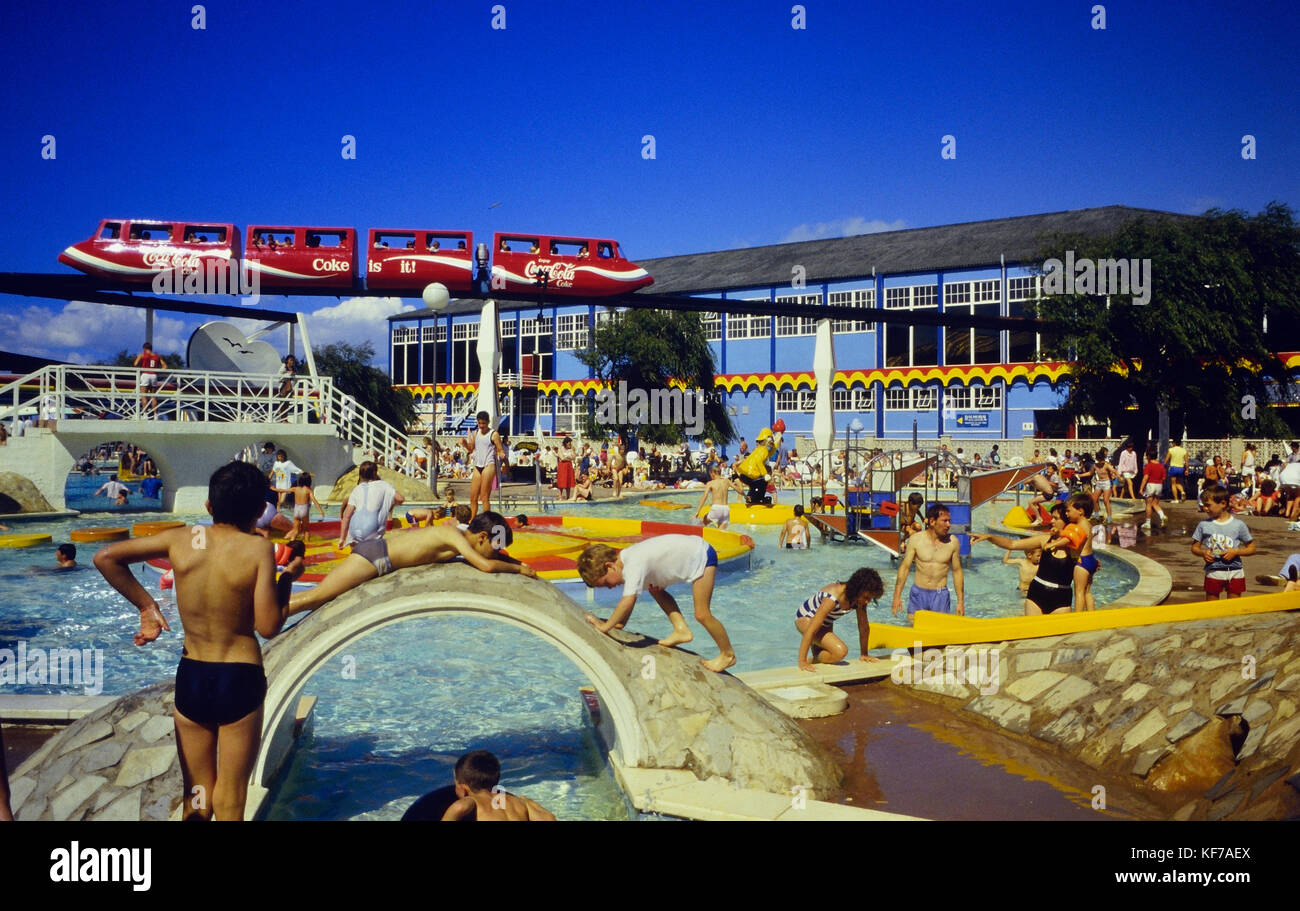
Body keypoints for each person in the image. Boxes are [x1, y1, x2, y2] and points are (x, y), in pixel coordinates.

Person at [92, 461, 303, 821]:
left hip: (193, 676)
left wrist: (147, 605)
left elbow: (106, 557)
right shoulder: (257, 550)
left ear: (208, 506)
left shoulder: (182, 538)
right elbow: (268, 626)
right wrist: (288, 579)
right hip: (238, 677)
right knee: (231, 798)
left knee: (198, 795)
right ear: (258, 512)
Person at [289, 511, 536, 615]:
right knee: (318, 597)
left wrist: (515, 560)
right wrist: (520, 569)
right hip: (374, 557)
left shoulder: (460, 534)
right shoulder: (454, 537)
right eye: (496, 546)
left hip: (378, 556)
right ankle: (262, 615)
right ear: (483, 537)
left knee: (322, 600)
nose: (496, 552)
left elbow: (492, 559)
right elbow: (487, 565)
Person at [578, 535, 737, 673]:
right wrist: (618, 623)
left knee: (702, 614)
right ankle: (681, 630)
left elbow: (628, 601)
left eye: (606, 583)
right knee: (654, 589)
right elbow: (629, 603)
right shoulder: (626, 560)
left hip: (701, 555)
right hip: (687, 554)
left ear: (609, 566)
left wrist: (605, 627)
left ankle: (727, 655)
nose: (610, 587)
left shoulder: (633, 564)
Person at [973, 504, 1078, 615]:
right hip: (1037, 595)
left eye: (1056, 518)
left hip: (1061, 599)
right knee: (1033, 631)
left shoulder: (1075, 547)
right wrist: (990, 537)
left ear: (1067, 521)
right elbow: (1012, 544)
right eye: (1052, 517)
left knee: (1059, 633)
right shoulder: (1044, 540)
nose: (1051, 521)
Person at [795, 568, 883, 671]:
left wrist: (864, 654)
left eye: (870, 598)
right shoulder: (832, 597)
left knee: (829, 656)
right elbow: (812, 629)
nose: (867, 601)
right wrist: (802, 661)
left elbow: (863, 626)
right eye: (866, 597)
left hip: (826, 622)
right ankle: (810, 660)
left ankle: (814, 659)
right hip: (806, 619)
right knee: (840, 652)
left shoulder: (858, 599)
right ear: (857, 589)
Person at [890, 504, 965, 617]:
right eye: (944, 521)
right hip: (918, 594)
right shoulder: (916, 539)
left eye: (949, 521)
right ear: (932, 521)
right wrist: (896, 597)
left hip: (940, 596)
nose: (948, 525)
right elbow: (905, 567)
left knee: (939, 632)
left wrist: (960, 602)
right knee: (913, 628)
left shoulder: (953, 542)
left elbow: (957, 571)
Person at [440, 750, 555, 821]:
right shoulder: (521, 802)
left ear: (463, 789)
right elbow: (549, 818)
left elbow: (460, 807)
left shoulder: (472, 802)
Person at [1191, 487, 1256, 600]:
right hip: (1213, 571)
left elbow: (1252, 548)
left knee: (1234, 608)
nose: (1204, 508)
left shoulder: (1238, 525)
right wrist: (1203, 553)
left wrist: (1236, 551)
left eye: (1208, 505)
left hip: (1235, 571)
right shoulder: (1203, 525)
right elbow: (1194, 547)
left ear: (1223, 503)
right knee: (1212, 607)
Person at [339, 461, 403, 548]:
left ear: (360, 475)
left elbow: (347, 516)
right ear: (375, 473)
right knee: (372, 558)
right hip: (371, 529)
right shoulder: (384, 485)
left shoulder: (357, 489)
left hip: (354, 528)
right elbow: (400, 498)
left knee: (356, 556)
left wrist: (342, 538)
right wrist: (391, 504)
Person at [463, 412, 504, 518]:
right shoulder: (476, 433)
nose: (481, 425)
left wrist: (503, 457)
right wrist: (464, 444)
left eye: (484, 423)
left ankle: (487, 520)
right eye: (480, 423)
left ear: (488, 422)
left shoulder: (494, 434)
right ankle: (472, 520)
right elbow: (471, 448)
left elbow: (500, 450)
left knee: (484, 497)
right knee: (473, 497)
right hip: (478, 465)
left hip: (489, 465)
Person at [280, 472, 325, 542]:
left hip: (296, 509)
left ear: (300, 481)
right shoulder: (308, 490)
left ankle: (291, 543)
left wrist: (273, 488)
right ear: (309, 482)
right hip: (304, 509)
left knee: (295, 531)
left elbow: (283, 490)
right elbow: (315, 502)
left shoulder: (295, 489)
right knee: (306, 530)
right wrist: (321, 511)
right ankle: (307, 544)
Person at [132, 342, 167, 418]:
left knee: (143, 395)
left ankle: (145, 414)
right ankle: (155, 414)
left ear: (144, 348)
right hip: (154, 375)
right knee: (153, 396)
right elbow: (165, 366)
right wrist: (159, 371)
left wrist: (140, 366)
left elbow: (135, 364)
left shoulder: (142, 355)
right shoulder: (157, 356)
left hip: (145, 374)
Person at [695, 464, 735, 528]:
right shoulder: (727, 481)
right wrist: (745, 496)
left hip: (716, 508)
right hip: (726, 509)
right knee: (721, 532)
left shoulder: (710, 483)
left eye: (710, 474)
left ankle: (697, 536)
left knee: (701, 522)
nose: (710, 476)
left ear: (713, 473)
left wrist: (697, 511)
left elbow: (705, 496)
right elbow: (738, 490)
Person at [1139, 451, 1168, 530]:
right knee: (1155, 504)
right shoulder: (1161, 466)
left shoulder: (1148, 466)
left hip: (1151, 485)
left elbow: (1145, 478)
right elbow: (1164, 478)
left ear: (1148, 456)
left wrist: (1141, 488)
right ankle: (1162, 516)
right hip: (1159, 485)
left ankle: (1148, 523)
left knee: (1148, 504)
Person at [1164, 439, 1188, 503]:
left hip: (1173, 467)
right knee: (1178, 483)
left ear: (1174, 443)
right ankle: (1182, 492)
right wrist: (1187, 470)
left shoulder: (1171, 450)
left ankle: (1176, 499)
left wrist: (1164, 466)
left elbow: (1166, 460)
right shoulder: (1184, 450)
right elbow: (1186, 462)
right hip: (1181, 468)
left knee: (1173, 484)